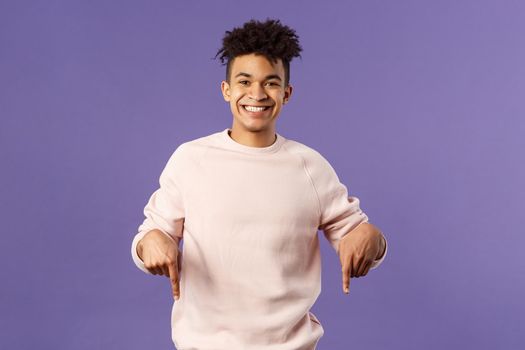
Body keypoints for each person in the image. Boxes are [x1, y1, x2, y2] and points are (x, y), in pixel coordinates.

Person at [131, 18, 388, 350]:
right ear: (226, 90)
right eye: (244, 81)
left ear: (287, 93)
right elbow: (151, 235)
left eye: (270, 83)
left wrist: (372, 238)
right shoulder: (191, 159)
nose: (256, 94)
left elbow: (356, 233)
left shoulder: (310, 166)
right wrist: (151, 242)